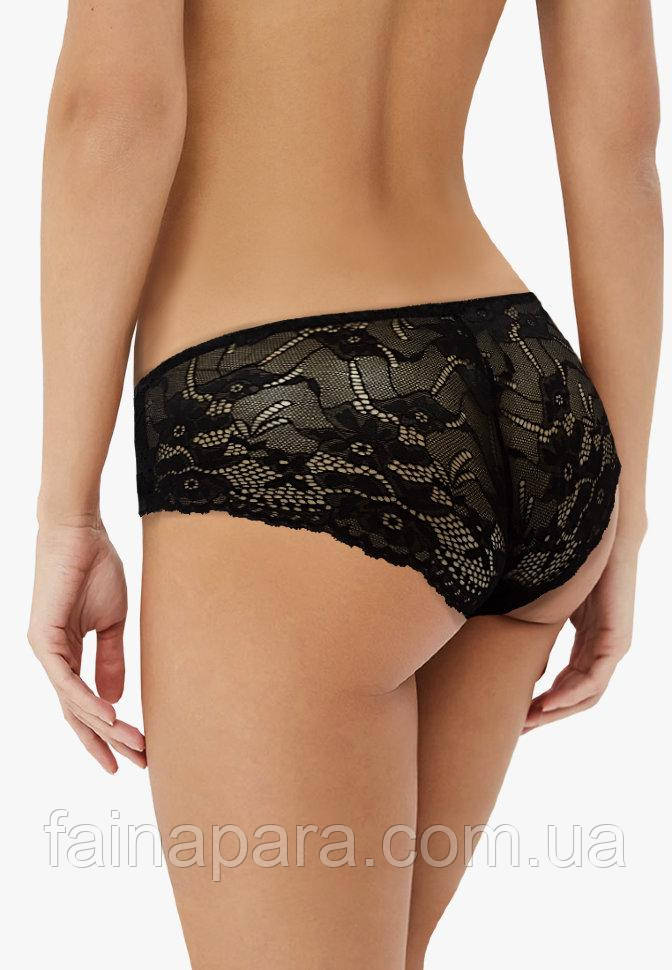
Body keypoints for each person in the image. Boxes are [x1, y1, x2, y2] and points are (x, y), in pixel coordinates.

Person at [28, 2, 662, 968]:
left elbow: (110, 112)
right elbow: (620, 144)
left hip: (291, 407)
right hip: (534, 405)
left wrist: (67, 513)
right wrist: (624, 505)